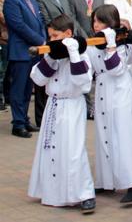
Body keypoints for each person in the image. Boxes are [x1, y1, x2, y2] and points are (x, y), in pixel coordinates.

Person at [28, 14, 96, 213]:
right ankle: (54, 192)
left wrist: (73, 54)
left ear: (68, 34)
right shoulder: (54, 55)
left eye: (55, 36)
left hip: (72, 106)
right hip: (54, 105)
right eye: (49, 36)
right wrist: (50, 56)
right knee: (52, 149)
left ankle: (84, 194)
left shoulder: (81, 55)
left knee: (73, 151)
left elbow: (83, 82)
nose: (51, 40)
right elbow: (38, 79)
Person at [86, 5, 132, 203]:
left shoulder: (121, 42)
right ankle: (106, 180)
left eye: (100, 21)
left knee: (123, 135)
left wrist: (111, 44)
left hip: (119, 89)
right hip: (103, 89)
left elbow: (116, 69)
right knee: (104, 134)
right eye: (94, 21)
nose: (96, 25)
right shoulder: (94, 43)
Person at [3, 0, 47, 138]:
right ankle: (18, 124)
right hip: (21, 51)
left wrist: (43, 39)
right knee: (18, 89)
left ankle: (25, 119)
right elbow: (18, 25)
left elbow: (40, 21)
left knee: (29, 89)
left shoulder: (33, 0)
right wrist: (39, 40)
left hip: (35, 51)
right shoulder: (12, 1)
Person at [0, 0, 14, 111]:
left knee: (10, 72)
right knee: (2, 72)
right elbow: (5, 19)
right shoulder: (1, 0)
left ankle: (8, 97)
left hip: (13, 40)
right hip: (4, 40)